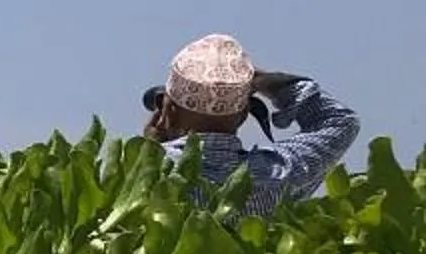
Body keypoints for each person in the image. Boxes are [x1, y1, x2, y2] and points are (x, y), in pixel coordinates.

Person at [141, 33, 360, 217]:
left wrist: (147, 154)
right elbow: (340, 121)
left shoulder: (148, 174)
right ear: (245, 114)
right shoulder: (278, 173)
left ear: (168, 110)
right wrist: (262, 81)